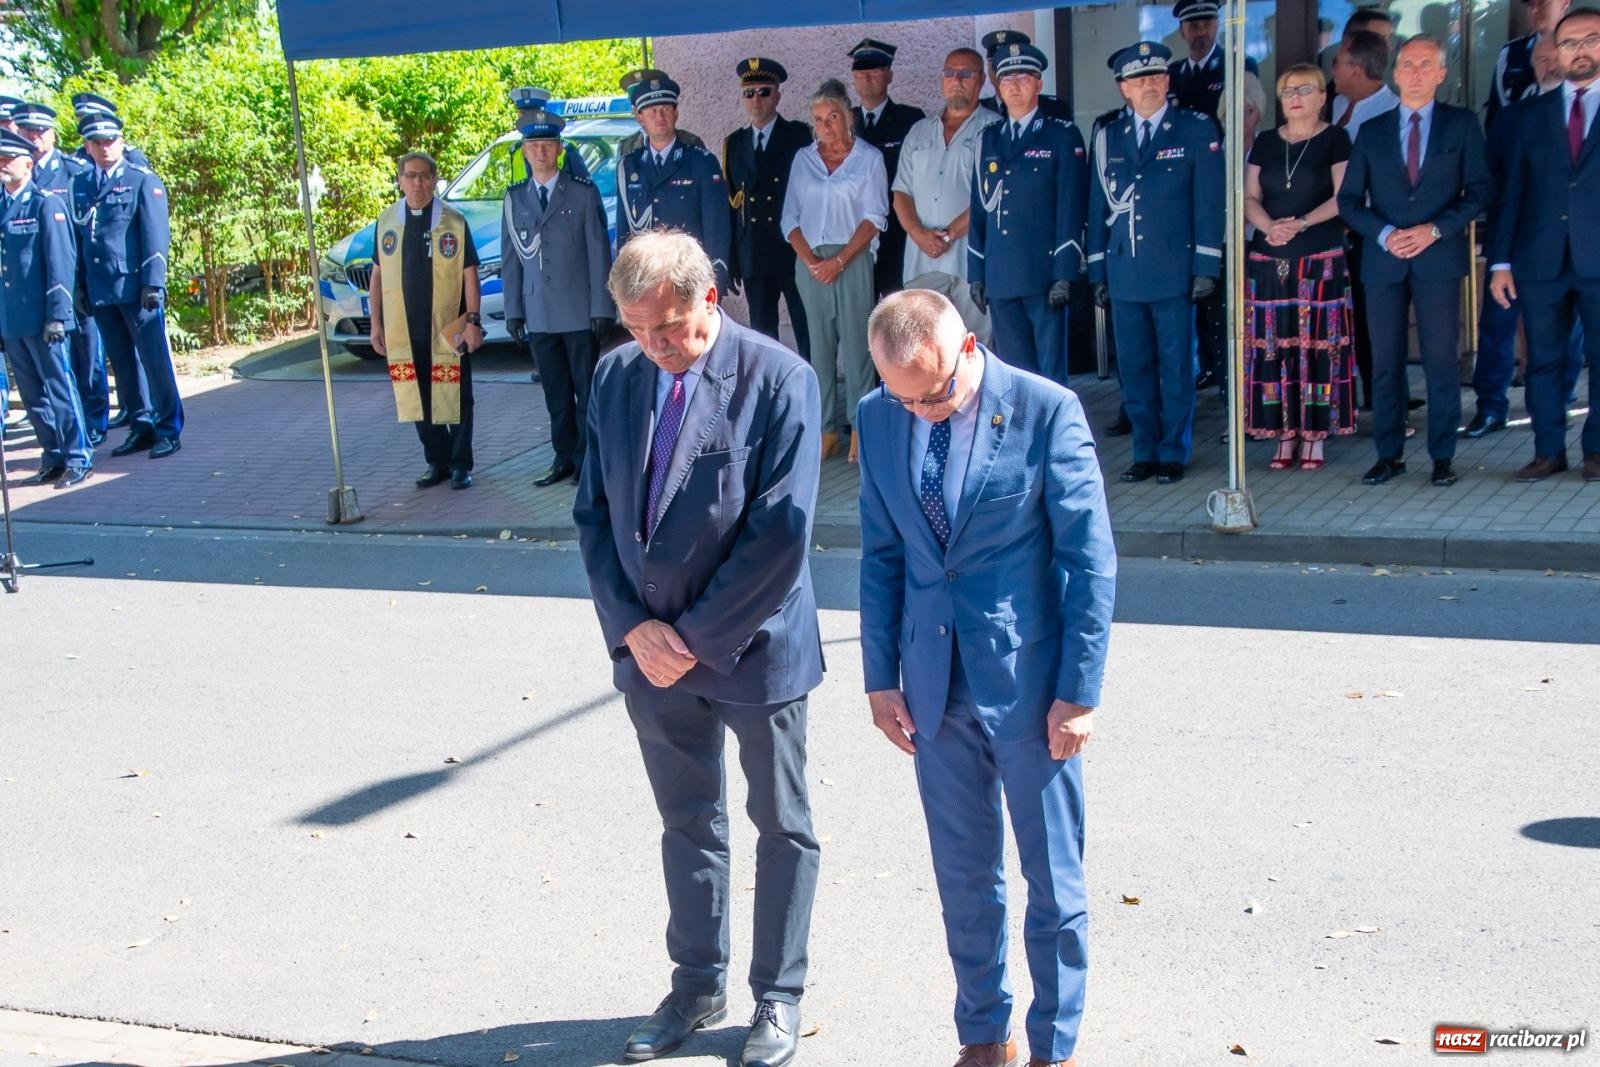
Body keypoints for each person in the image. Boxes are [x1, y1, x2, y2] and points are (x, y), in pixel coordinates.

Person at [572, 231, 823, 1067]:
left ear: (708, 297)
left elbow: (780, 533)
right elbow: (594, 512)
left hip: (754, 646)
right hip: (651, 655)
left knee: (781, 823)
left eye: (672, 327)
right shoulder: (617, 375)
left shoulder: (779, 378)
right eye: (639, 329)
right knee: (686, 821)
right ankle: (695, 985)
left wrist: (692, 637)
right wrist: (631, 627)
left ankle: (778, 995)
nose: (658, 346)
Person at [856, 289, 1115, 1067]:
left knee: (1053, 882)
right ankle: (982, 1035)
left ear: (968, 346)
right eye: (905, 398)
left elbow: (1089, 560)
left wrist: (1079, 692)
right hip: (932, 688)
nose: (921, 411)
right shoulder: (880, 416)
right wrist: (880, 677)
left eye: (933, 394)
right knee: (965, 879)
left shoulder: (1046, 411)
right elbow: (883, 555)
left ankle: (1053, 1046)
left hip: (1031, 687)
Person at [1339, 36, 1492, 488]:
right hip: (1383, 261)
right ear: (1395, 73)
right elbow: (1349, 201)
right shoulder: (1373, 130)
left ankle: (1442, 456)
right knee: (1385, 363)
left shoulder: (1461, 125)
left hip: (1437, 258)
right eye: (1408, 64)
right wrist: (1384, 234)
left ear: (1441, 74)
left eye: (1426, 65)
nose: (1416, 72)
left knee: (1440, 362)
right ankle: (1388, 455)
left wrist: (1435, 230)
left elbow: (1480, 191)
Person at [1088, 42, 1224, 486]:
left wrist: (1206, 266)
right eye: (1137, 79)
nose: (1147, 85)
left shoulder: (1195, 129)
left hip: (1174, 270)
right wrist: (1096, 270)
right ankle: (1143, 451)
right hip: (1124, 270)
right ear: (1123, 88)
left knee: (1176, 367)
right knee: (1134, 369)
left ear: (1167, 82)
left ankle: (1172, 451)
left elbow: (1209, 203)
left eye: (1155, 77)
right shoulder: (1108, 136)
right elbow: (1096, 208)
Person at [1488, 6, 1600, 483]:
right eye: (1569, 42)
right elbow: (1511, 192)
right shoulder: (1528, 115)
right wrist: (1500, 261)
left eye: (1591, 39)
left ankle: (1597, 453)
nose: (1580, 50)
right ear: (1556, 50)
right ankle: (1548, 451)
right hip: (1539, 258)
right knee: (1544, 361)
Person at [1242, 65, 1357, 472]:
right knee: (1273, 347)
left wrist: (1301, 223)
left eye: (1305, 89)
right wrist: (1269, 226)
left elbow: (1345, 196)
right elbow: (1249, 196)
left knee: (1318, 347)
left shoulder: (1335, 138)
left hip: (1319, 258)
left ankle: (1314, 435)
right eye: (1287, 90)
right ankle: (1283, 433)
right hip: (1269, 260)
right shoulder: (1266, 142)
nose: (1295, 97)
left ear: (1322, 96)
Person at [1470, 33, 1585, 439]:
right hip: (1518, 243)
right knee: (1498, 326)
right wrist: (1499, 252)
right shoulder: (1514, 117)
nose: (1550, 65)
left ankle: (1562, 404)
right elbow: (1498, 184)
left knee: (1569, 334)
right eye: (1542, 59)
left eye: (1556, 57)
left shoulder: (1589, 110)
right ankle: (1491, 408)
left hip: (1578, 247)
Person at [501, 109, 613, 489]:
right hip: (539, 313)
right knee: (555, 393)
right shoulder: (514, 199)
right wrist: (514, 312)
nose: (541, 152)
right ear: (524, 151)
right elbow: (511, 259)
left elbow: (599, 254)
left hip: (579, 311)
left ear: (559, 149)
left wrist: (602, 307)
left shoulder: (582, 193)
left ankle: (587, 459)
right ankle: (563, 456)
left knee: (586, 390)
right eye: (533, 145)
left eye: (547, 145)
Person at [782, 78, 888, 465]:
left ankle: (860, 429)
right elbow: (789, 218)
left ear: (849, 117)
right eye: (818, 119)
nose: (825, 126)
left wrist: (839, 261)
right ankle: (826, 431)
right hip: (810, 261)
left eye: (832, 117)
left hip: (852, 259)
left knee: (859, 349)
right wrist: (811, 261)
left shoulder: (869, 159)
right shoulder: (803, 159)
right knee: (819, 349)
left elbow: (875, 217)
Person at [968, 41, 1087, 383]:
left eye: (1023, 77)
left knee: (1050, 376)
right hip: (1001, 275)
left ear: (1038, 83)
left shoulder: (1061, 135)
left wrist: (1065, 272)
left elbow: (1070, 207)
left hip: (1044, 275)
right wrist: (976, 271)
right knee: (1014, 375)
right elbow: (980, 209)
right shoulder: (988, 139)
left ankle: (1054, 423)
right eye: (1006, 79)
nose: (1014, 86)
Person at [70, 110, 186, 459]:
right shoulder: (81, 184)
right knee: (122, 364)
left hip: (136, 288)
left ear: (121, 142)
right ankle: (141, 424)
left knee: (154, 360)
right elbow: (81, 239)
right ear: (87, 147)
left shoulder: (141, 180)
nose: (104, 147)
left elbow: (155, 235)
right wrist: (80, 287)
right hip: (101, 289)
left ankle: (169, 427)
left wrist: (154, 283)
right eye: (96, 142)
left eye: (110, 140)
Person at [368, 151, 484, 491]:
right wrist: (376, 324)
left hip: (447, 327)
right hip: (404, 329)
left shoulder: (453, 222)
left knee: (457, 396)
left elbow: (470, 274)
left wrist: (473, 321)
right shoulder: (387, 222)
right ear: (400, 181)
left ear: (434, 180)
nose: (417, 183)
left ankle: (460, 464)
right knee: (417, 397)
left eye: (424, 176)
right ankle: (437, 461)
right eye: (410, 176)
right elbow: (377, 275)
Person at [0, 128, 92, 487]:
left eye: (9, 159)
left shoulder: (44, 204)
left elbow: (61, 264)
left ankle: (78, 457)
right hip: (13, 320)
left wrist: (57, 315)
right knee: (32, 395)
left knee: (60, 389)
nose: (3, 165)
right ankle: (52, 454)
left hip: (44, 319)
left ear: (28, 164)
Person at [13, 102, 108, 445]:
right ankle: (67, 432)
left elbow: (90, 231)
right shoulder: (15, 177)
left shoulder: (73, 171)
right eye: (27, 131)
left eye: (41, 131)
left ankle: (94, 422)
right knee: (53, 368)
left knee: (87, 357)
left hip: (77, 281)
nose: (34, 137)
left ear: (53, 133)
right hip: (37, 292)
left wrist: (85, 281)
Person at [893, 47, 999, 344]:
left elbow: (990, 196)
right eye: (950, 73)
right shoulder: (918, 131)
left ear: (981, 81)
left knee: (976, 345)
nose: (957, 80)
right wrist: (917, 233)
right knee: (923, 346)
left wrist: (949, 235)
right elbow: (901, 191)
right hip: (922, 260)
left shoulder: (994, 129)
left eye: (966, 74)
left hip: (972, 261)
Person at [1330, 28, 1402, 411]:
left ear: (1356, 69)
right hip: (1333, 229)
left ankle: (1383, 401)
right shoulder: (1337, 104)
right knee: (1344, 319)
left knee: (1373, 321)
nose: (1333, 70)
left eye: (1338, 63)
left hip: (1373, 231)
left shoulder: (1392, 110)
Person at [723, 57, 812, 359]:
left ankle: (811, 379)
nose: (756, 99)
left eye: (764, 92)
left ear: (777, 96)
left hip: (793, 248)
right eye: (749, 93)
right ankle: (770, 384)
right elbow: (732, 206)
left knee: (806, 326)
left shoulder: (799, 136)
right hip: (754, 251)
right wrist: (732, 260)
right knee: (762, 333)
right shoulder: (734, 143)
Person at [615, 72, 733, 294]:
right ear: (640, 118)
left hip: (688, 275)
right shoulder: (629, 165)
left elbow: (716, 226)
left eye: (666, 109)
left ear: (676, 113)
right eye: (652, 111)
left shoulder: (701, 162)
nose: (660, 116)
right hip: (645, 279)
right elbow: (624, 231)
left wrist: (716, 280)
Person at [848, 39, 924, 301]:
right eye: (860, 73)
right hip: (855, 237)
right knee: (859, 315)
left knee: (900, 313)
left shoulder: (910, 119)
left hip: (897, 236)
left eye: (875, 71)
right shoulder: (844, 121)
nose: (867, 78)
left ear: (890, 76)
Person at [1168, 0, 1261, 122]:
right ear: (1181, 31)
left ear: (1217, 25)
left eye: (1207, 24)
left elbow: (1248, 120)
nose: (1201, 31)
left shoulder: (1239, 65)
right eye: (1194, 25)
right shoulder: (1172, 73)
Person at [1488, 0, 1574, 128]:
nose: (1534, 10)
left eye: (1542, 3)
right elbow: (1495, 116)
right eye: (1530, 4)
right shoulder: (1511, 53)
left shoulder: (1585, 55)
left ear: (1564, 3)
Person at [976, 30, 1075, 121]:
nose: (1000, 71)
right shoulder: (977, 109)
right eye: (994, 63)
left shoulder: (1055, 109)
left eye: (1009, 67)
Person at [507, 87, 592, 183]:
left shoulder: (566, 150)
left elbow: (584, 187)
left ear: (541, 115)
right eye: (522, 113)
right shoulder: (516, 151)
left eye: (530, 113)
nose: (525, 118)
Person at [618, 69, 707, 158]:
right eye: (637, 108)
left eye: (664, 109)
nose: (659, 116)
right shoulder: (626, 146)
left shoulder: (691, 142)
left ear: (675, 113)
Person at [69, 94, 151, 168]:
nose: (87, 127)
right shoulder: (77, 157)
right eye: (83, 122)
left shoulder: (132, 157)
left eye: (90, 121)